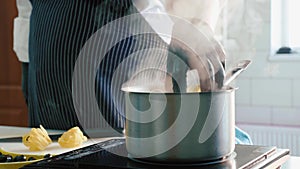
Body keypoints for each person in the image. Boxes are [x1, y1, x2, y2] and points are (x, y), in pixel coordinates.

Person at [14, 0, 252, 144]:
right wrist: (26, 58)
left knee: (106, 149)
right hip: (59, 36)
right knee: (64, 152)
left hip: (109, 33)